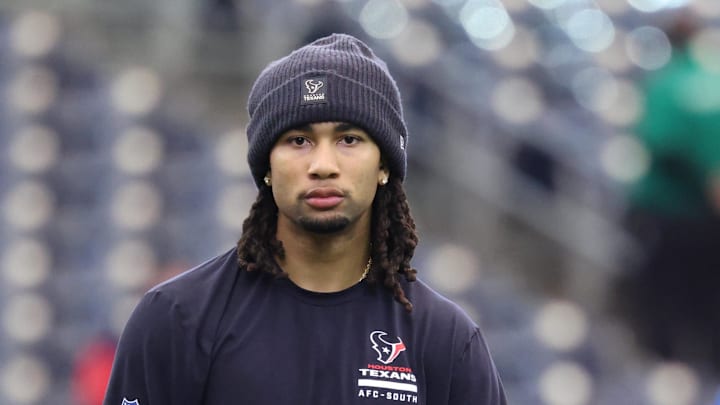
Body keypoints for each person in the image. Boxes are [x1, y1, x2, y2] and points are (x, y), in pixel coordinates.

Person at [103, 33, 507, 405]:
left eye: (349, 140)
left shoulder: (446, 341)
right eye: (298, 141)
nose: (323, 165)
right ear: (266, 166)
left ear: (384, 165)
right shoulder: (176, 318)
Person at [614, 16, 720, 370]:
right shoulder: (708, 82)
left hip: (670, 216)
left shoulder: (667, 85)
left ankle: (666, 373)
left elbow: (654, 140)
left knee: (666, 305)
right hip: (700, 218)